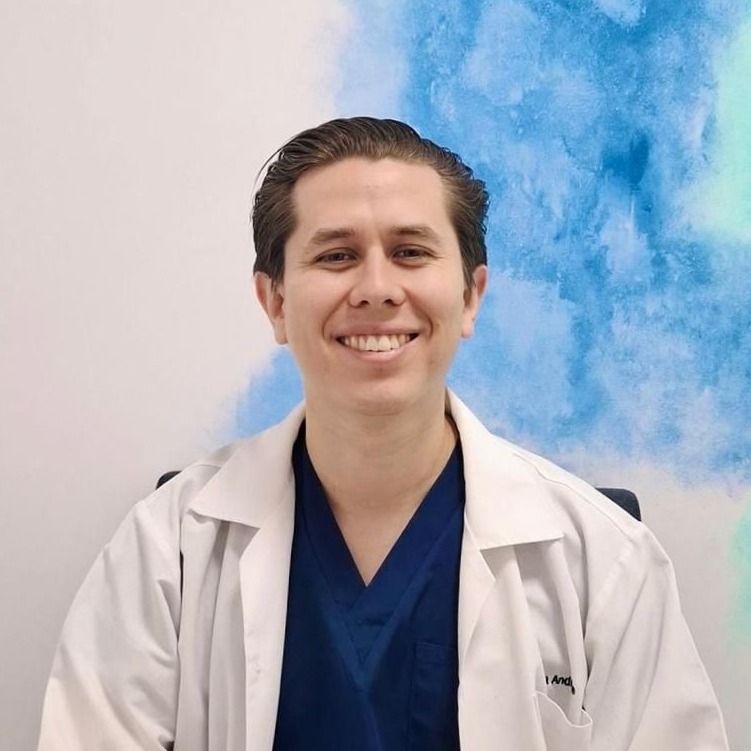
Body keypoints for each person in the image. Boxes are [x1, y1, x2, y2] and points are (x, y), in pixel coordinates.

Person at [37, 117, 729, 750]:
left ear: (470, 296)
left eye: (410, 251)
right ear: (275, 301)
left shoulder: (603, 560)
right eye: (336, 256)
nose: (375, 287)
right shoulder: (168, 549)